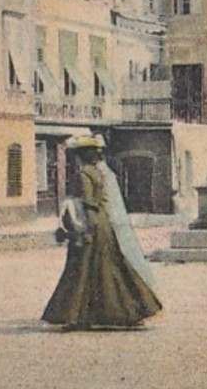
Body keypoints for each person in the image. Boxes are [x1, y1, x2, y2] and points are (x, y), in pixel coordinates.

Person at [42, 135, 163, 329]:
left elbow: (89, 203)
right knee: (110, 268)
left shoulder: (83, 175)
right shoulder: (98, 173)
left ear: (81, 155)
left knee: (81, 271)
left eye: (76, 154)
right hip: (103, 224)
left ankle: (77, 316)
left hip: (91, 225)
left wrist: (85, 230)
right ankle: (132, 310)